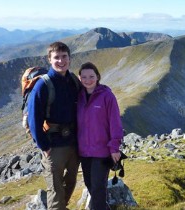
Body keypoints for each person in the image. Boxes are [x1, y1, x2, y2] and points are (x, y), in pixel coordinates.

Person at [27, 41, 80, 210]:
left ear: (70, 59)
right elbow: (33, 119)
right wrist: (44, 146)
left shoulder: (73, 80)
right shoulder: (42, 85)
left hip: (73, 143)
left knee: (71, 183)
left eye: (64, 57)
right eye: (56, 57)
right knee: (56, 191)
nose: (61, 61)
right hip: (54, 146)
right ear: (49, 59)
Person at [77, 62, 123, 210]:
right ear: (79, 78)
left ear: (97, 76)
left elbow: (115, 122)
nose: (87, 80)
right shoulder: (78, 98)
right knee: (90, 184)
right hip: (84, 152)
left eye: (91, 76)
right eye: (84, 77)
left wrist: (114, 147)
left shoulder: (107, 96)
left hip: (102, 151)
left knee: (98, 187)